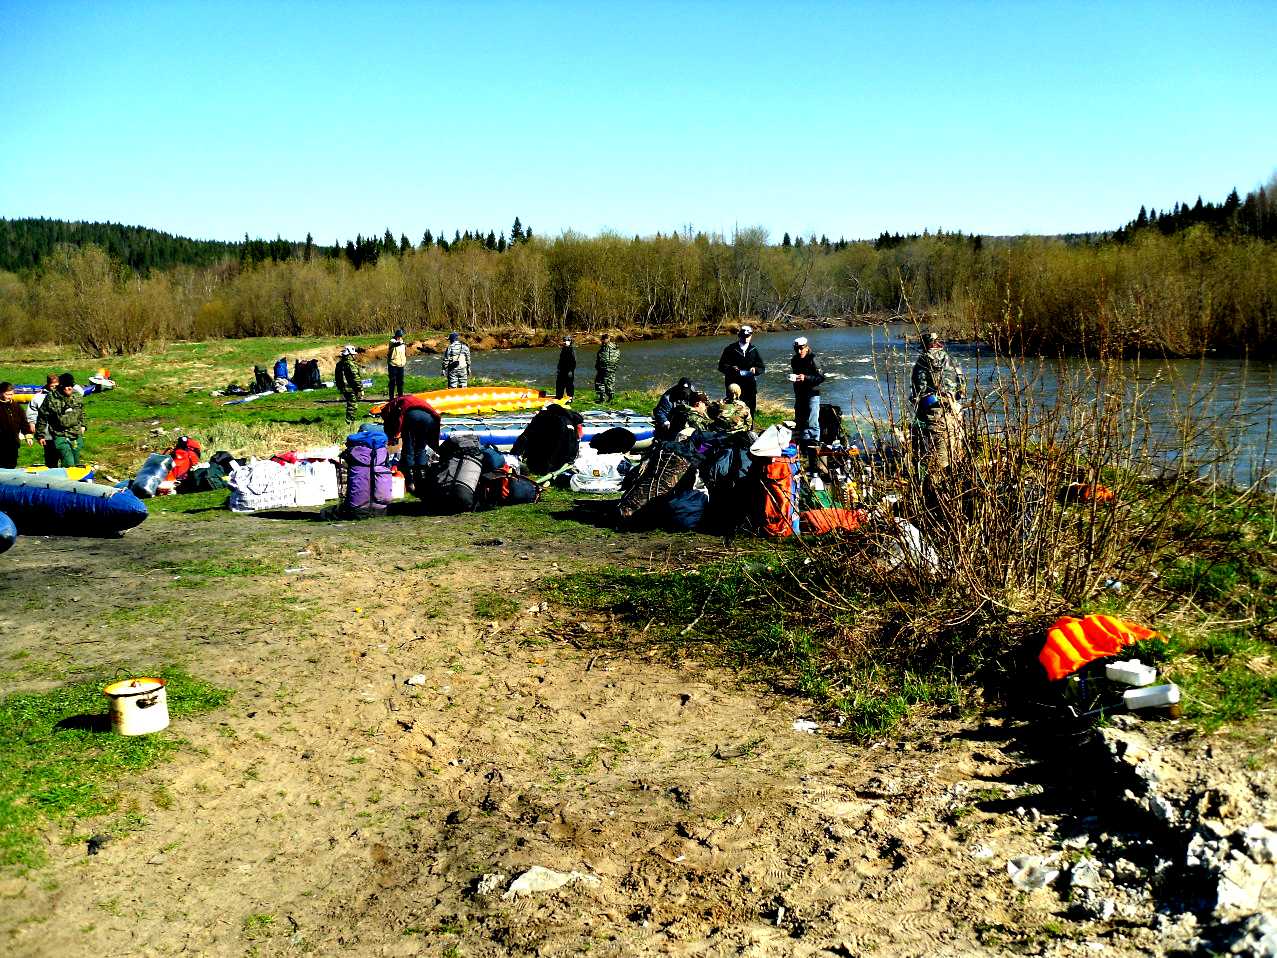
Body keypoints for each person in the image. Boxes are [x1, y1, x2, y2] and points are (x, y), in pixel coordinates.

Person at [910, 332, 966, 471]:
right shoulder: (951, 358)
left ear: (924, 345)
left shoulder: (923, 360)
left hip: (935, 413)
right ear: (938, 343)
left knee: (936, 462)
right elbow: (963, 386)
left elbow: (919, 391)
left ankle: (936, 487)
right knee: (955, 454)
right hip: (955, 411)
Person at [379, 394, 442, 495]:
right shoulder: (410, 400)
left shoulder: (390, 407)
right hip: (430, 418)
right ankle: (421, 479)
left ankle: (410, 481)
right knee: (421, 447)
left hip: (412, 417)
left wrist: (391, 438)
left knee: (408, 446)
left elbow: (390, 425)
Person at [35, 373, 86, 467]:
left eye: (70, 386)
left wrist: (83, 425)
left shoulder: (77, 396)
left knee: (75, 460)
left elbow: (81, 412)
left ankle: (75, 478)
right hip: (59, 434)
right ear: (61, 386)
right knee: (68, 461)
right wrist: (40, 435)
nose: (68, 388)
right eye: (66, 386)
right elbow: (42, 416)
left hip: (75, 433)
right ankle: (67, 477)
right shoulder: (51, 397)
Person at [717, 325, 765, 415]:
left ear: (751, 336)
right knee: (734, 410)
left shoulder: (753, 350)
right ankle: (734, 427)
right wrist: (731, 369)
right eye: (744, 336)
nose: (746, 338)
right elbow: (721, 366)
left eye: (748, 336)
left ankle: (750, 427)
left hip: (750, 386)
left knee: (750, 409)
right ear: (739, 335)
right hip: (734, 385)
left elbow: (762, 367)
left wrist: (755, 369)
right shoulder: (730, 349)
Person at [789, 337, 826, 449]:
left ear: (806, 347)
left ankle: (815, 447)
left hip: (812, 394)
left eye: (801, 349)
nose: (799, 351)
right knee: (801, 420)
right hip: (800, 393)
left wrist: (806, 378)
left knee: (812, 422)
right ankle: (805, 446)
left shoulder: (813, 359)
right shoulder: (794, 360)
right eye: (796, 349)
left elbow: (821, 377)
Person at [26, 374, 60, 467]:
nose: (54, 388)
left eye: (56, 386)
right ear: (48, 384)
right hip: (47, 431)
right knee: (50, 455)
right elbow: (32, 410)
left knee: (63, 453)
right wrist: (32, 422)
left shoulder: (62, 394)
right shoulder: (38, 397)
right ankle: (51, 474)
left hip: (61, 431)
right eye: (52, 386)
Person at [0, 382, 34, 469]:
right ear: (1, 393)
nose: (9, 396)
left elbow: (24, 423)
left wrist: (28, 436)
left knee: (11, 466)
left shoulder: (16, 407)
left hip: (13, 443)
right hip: (1, 443)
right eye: (7, 394)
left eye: (11, 394)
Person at [335, 345, 364, 425]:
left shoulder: (340, 363)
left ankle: (350, 421)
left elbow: (337, 377)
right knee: (352, 405)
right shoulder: (350, 364)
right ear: (350, 354)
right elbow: (356, 377)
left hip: (343, 387)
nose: (354, 355)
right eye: (353, 354)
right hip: (350, 387)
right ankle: (350, 422)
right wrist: (360, 389)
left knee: (350, 404)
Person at [594, 334, 620, 403]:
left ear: (605, 339)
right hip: (613, 368)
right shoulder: (615, 347)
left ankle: (602, 399)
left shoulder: (605, 348)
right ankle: (611, 397)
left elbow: (602, 359)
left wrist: (598, 366)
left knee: (600, 382)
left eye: (602, 339)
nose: (601, 341)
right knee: (610, 382)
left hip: (604, 368)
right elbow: (617, 358)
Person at [387, 329, 408, 401]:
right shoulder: (392, 341)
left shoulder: (402, 342)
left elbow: (404, 352)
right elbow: (396, 344)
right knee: (392, 381)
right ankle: (391, 398)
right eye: (398, 336)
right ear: (396, 336)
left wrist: (405, 359)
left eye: (401, 336)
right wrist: (402, 343)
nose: (399, 337)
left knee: (400, 382)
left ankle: (400, 396)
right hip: (393, 364)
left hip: (401, 364)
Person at [555, 336, 576, 400]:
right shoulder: (563, 349)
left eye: (566, 341)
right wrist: (558, 369)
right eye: (564, 341)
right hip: (562, 370)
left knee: (569, 385)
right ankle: (559, 397)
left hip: (568, 371)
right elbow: (560, 361)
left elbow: (573, 362)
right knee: (559, 384)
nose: (564, 342)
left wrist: (570, 371)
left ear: (569, 342)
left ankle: (570, 397)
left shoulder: (571, 350)